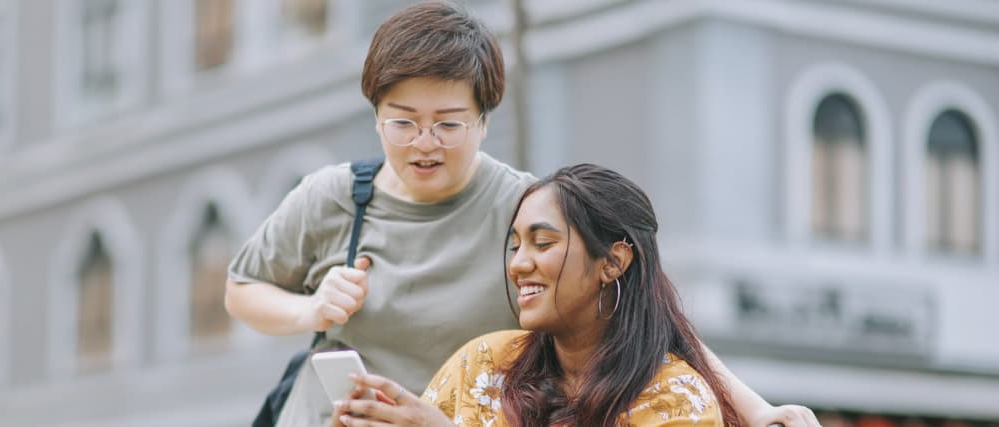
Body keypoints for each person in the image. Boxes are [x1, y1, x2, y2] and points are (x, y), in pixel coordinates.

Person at [224, 2, 817, 426]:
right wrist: (311, 308)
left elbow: (648, 311)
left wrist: (759, 411)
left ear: (485, 120)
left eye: (449, 124)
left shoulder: (529, 211)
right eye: (402, 121)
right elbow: (241, 288)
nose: (424, 143)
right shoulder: (331, 196)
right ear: (376, 116)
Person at [332, 163, 767, 427]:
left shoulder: (676, 399)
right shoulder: (478, 366)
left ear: (613, 262)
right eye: (515, 245)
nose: (519, 264)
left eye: (543, 244)